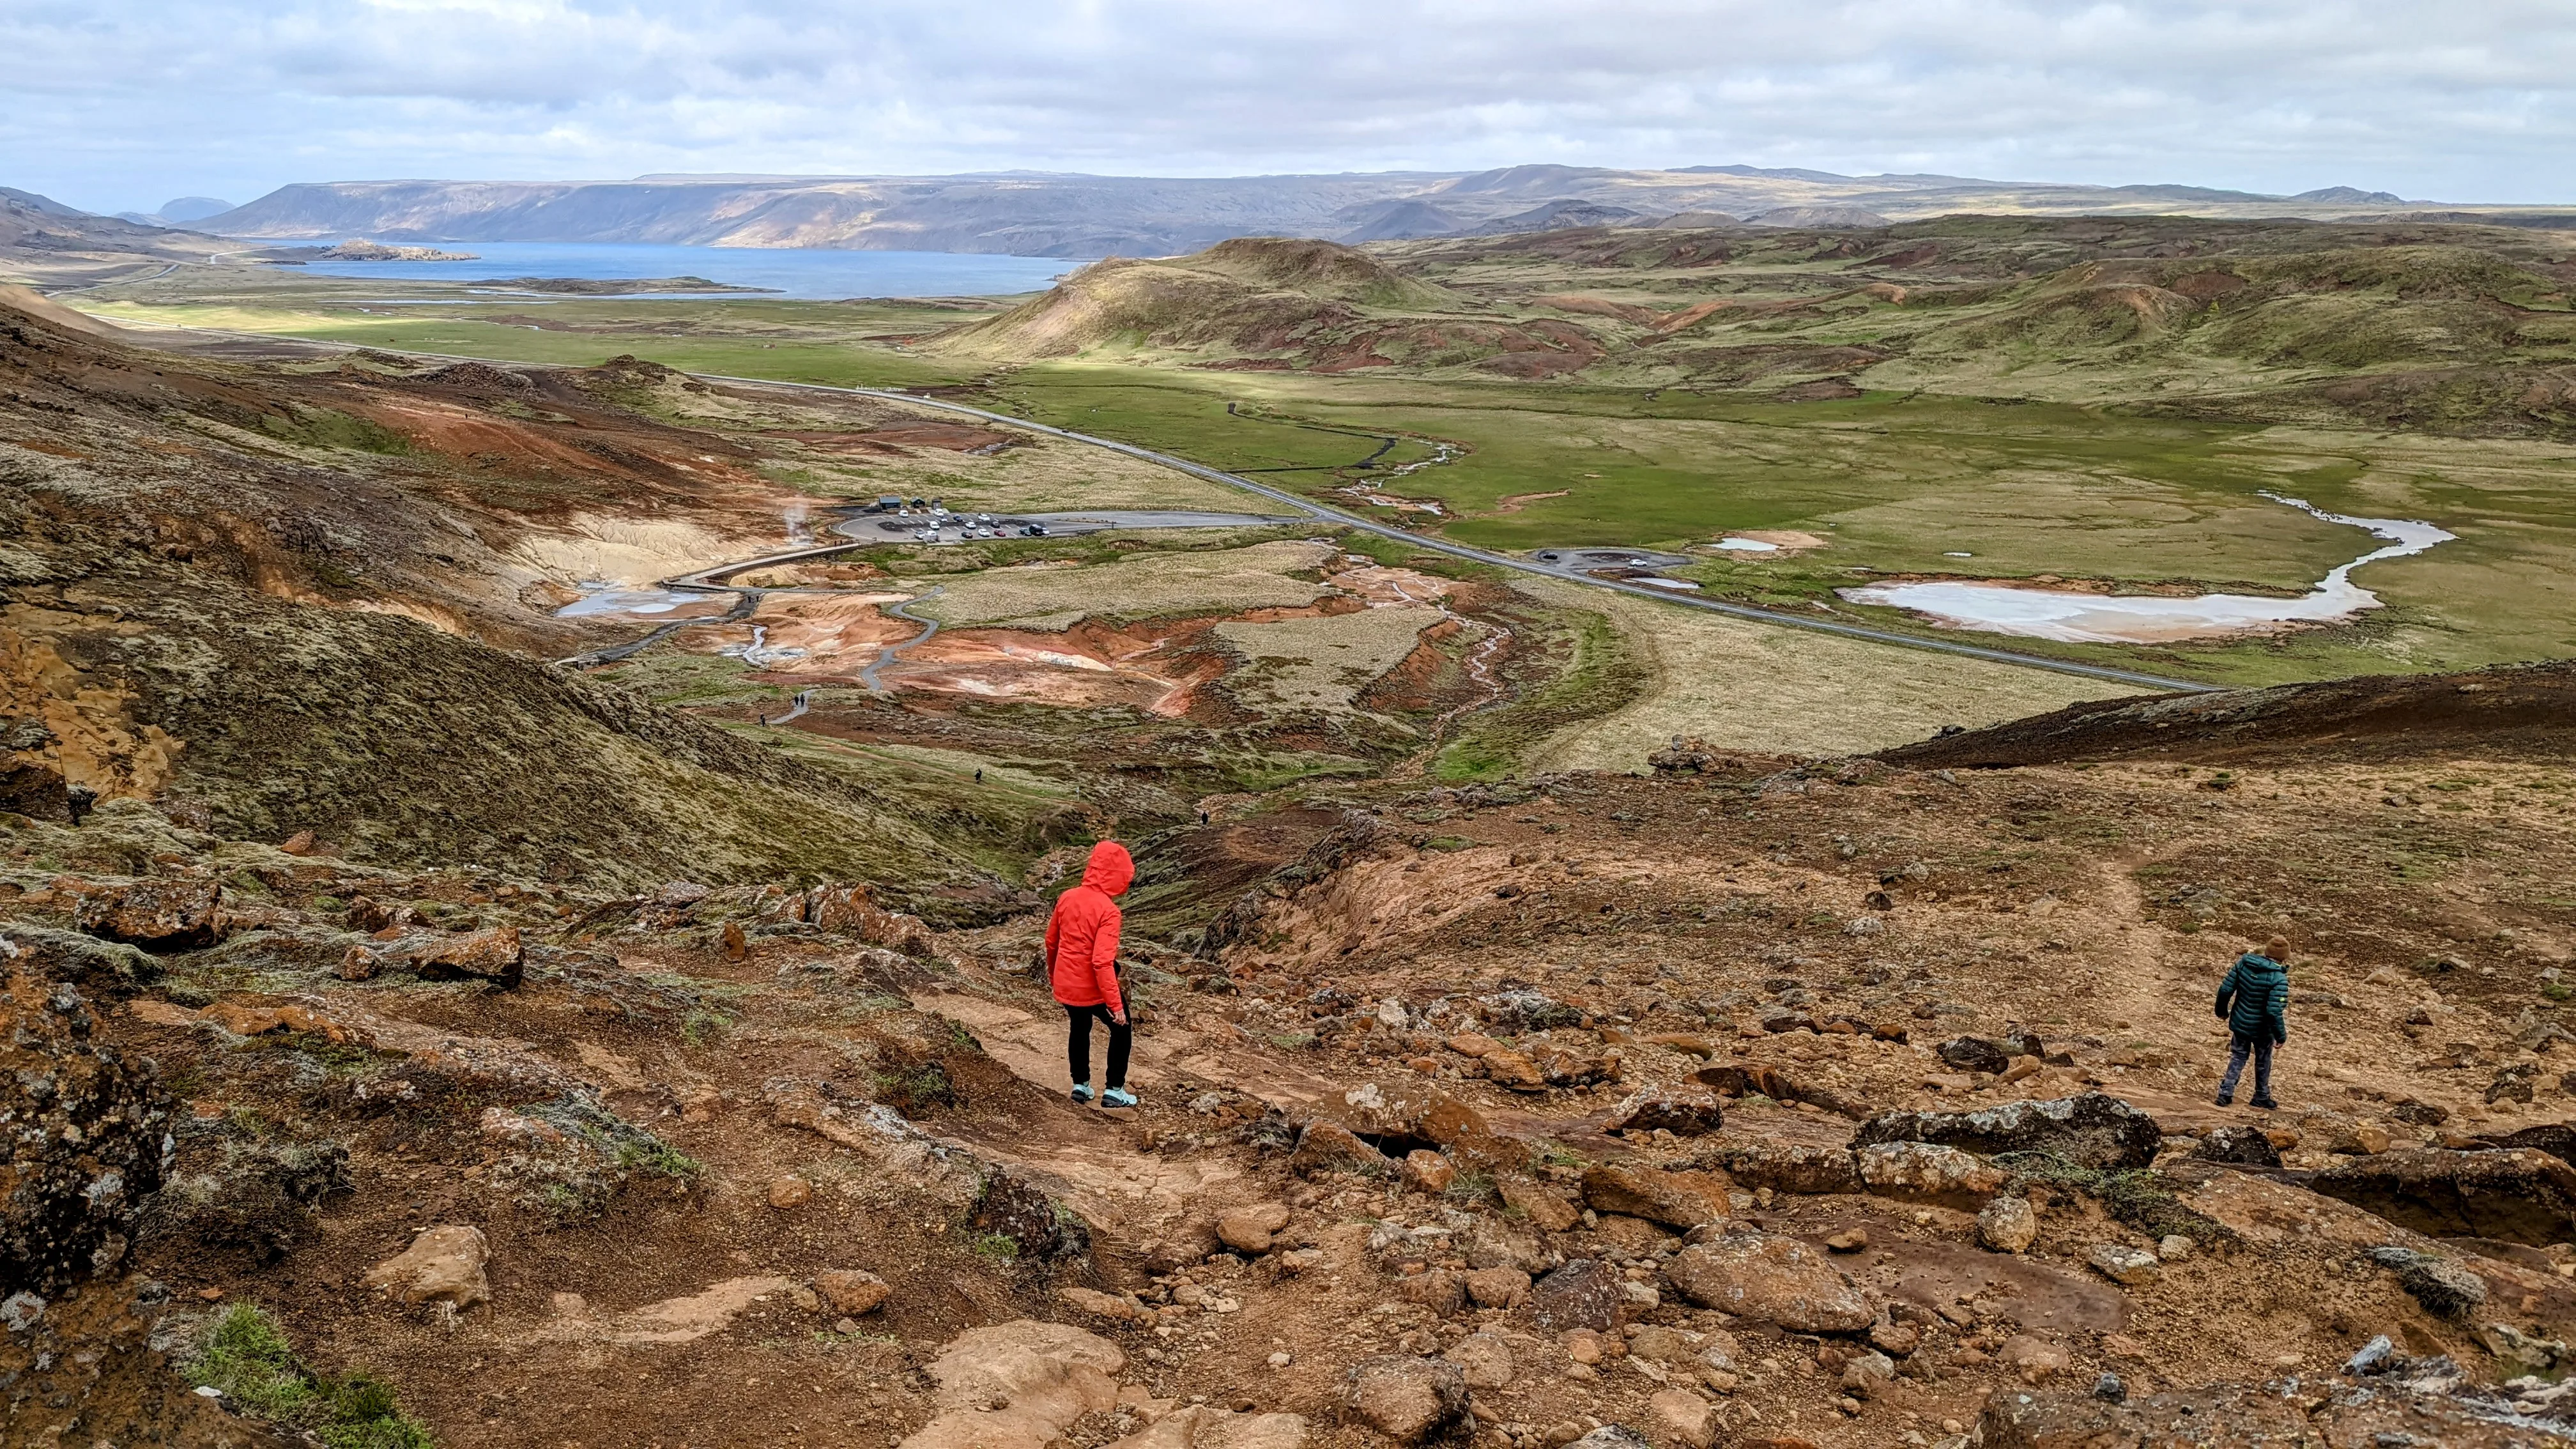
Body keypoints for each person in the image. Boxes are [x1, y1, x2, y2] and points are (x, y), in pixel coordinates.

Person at [1047, 839, 1136, 1107]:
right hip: (1092, 988)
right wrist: (1115, 1005)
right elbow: (1101, 962)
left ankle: (1080, 1086)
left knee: (1079, 1026)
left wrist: (1055, 978)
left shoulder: (1067, 897)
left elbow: (1051, 942)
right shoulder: (1109, 911)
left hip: (1067, 983)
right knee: (1122, 1029)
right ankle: (1115, 1090)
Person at [2213, 935, 2291, 1109]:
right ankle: (2261, 1096)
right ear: (2284, 957)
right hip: (2263, 1030)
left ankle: (2225, 1093)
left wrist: (2221, 1012)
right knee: (2263, 1061)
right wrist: (2281, 1036)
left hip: (2240, 1021)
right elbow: (2273, 1011)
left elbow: (2225, 990)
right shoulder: (2279, 979)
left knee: (2238, 1056)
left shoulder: (2243, 964)